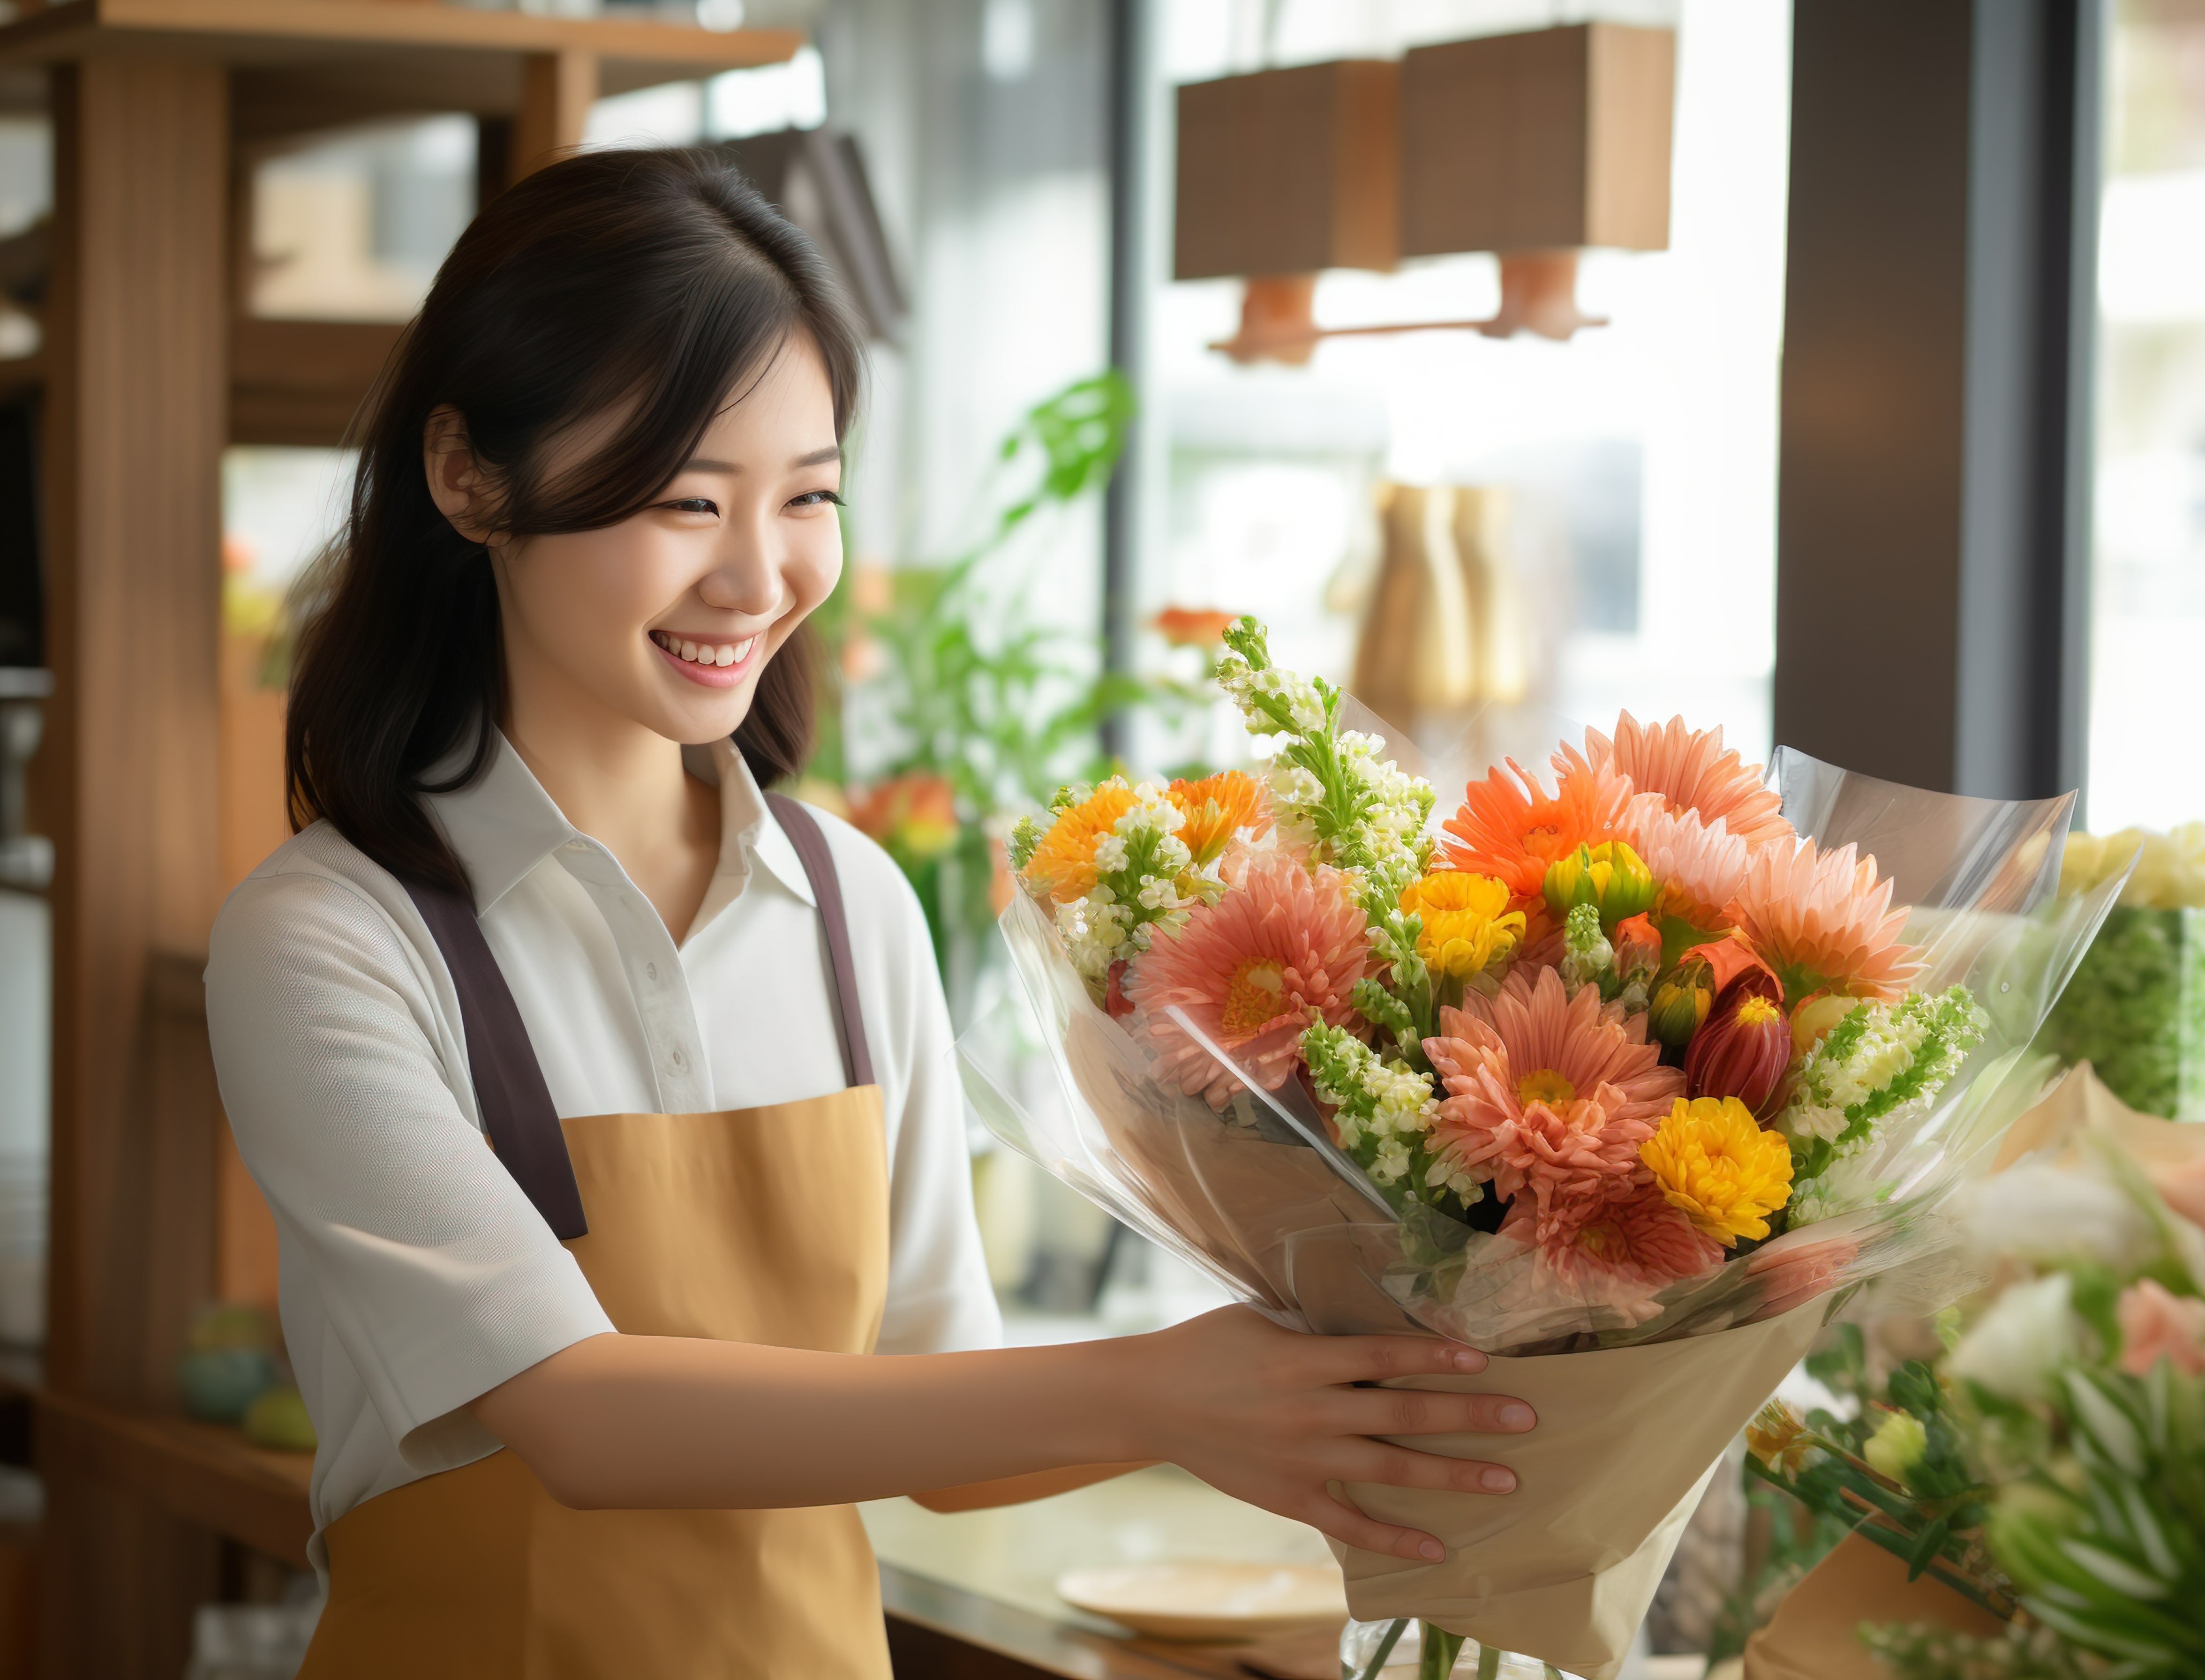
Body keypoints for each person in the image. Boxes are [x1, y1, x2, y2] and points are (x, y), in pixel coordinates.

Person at [204, 149, 1533, 1677]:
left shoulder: (852, 907)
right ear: (468, 478)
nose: (757, 578)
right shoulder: (333, 940)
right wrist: (1154, 1392)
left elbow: (945, 1417)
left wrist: (1341, 1371)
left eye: (808, 498)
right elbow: (579, 1413)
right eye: (687, 499)